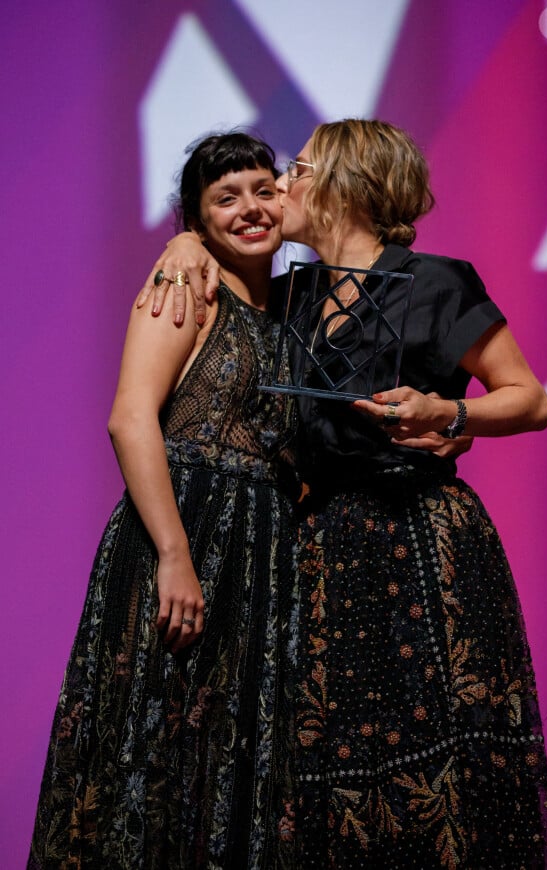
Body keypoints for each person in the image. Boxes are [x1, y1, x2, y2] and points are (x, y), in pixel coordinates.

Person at [140, 119, 547, 868]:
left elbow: (530, 400)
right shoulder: (291, 295)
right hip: (322, 552)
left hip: (427, 552)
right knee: (325, 772)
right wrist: (184, 242)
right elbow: (220, 260)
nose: (280, 189)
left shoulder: (435, 281)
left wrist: (450, 413)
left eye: (295, 170)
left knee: (443, 771)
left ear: (343, 186)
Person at [28, 133, 301, 869]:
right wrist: (174, 557)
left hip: (260, 559)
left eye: (262, 188)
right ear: (198, 218)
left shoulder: (295, 312)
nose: (250, 208)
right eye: (225, 198)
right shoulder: (184, 284)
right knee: (147, 749)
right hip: (179, 535)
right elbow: (130, 417)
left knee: (228, 761)